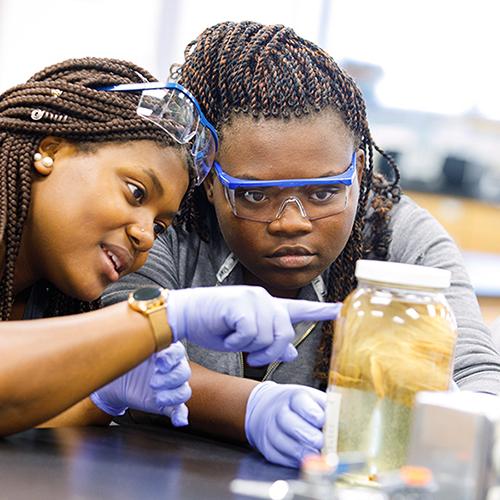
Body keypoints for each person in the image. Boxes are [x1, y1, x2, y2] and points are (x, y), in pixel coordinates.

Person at [102, 21, 500, 468]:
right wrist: (251, 407)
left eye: (323, 192)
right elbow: (111, 349)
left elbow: (477, 373)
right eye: (254, 195)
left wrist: (470, 413)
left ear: (359, 171)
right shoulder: (168, 219)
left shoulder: (397, 234)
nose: (291, 222)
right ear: (211, 180)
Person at [0, 56, 340, 437]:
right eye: (135, 191)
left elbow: (17, 413)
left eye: (161, 226)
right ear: (52, 151)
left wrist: (102, 397)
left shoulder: (43, 300)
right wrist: (160, 317)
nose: (145, 236)